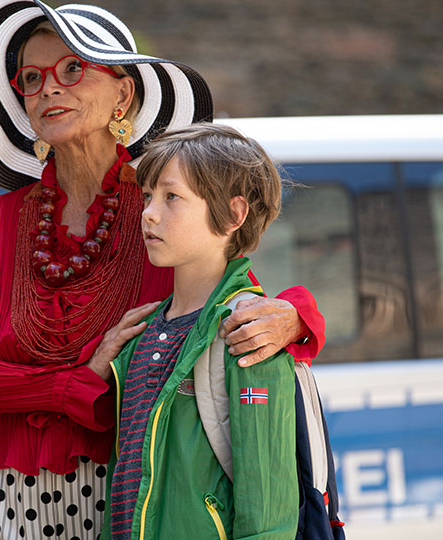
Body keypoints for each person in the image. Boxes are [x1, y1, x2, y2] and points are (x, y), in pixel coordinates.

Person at [0, 1, 324, 538]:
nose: (49, 88)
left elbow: (234, 295)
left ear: (124, 93)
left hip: (138, 493)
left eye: (73, 68)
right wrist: (72, 386)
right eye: (30, 77)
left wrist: (296, 316)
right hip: (12, 501)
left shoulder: (161, 209)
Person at [92, 123, 299, 540]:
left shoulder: (249, 331)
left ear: (234, 215)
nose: (149, 212)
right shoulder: (142, 330)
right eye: (148, 196)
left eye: (172, 197)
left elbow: (269, 508)